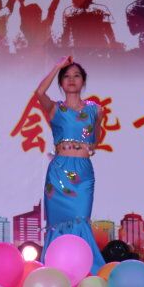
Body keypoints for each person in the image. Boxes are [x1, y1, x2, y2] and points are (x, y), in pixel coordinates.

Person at [34, 56, 106, 274]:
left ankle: (85, 271)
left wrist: (84, 146)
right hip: (59, 172)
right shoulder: (55, 109)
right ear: (61, 82)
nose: (72, 79)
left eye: (76, 76)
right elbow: (39, 92)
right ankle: (56, 270)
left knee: (80, 218)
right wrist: (57, 66)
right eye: (66, 76)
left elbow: (95, 140)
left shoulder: (96, 110)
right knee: (57, 222)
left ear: (83, 81)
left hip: (82, 172)